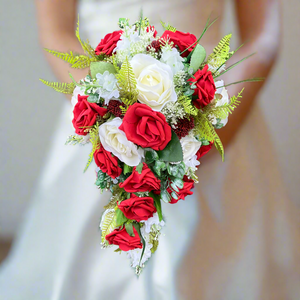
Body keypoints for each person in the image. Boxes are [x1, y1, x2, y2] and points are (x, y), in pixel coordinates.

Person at [0, 0, 299, 299]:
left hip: (219, 118)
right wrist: (108, 114)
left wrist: (213, 127)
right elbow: (56, 33)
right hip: (106, 128)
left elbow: (263, 36)